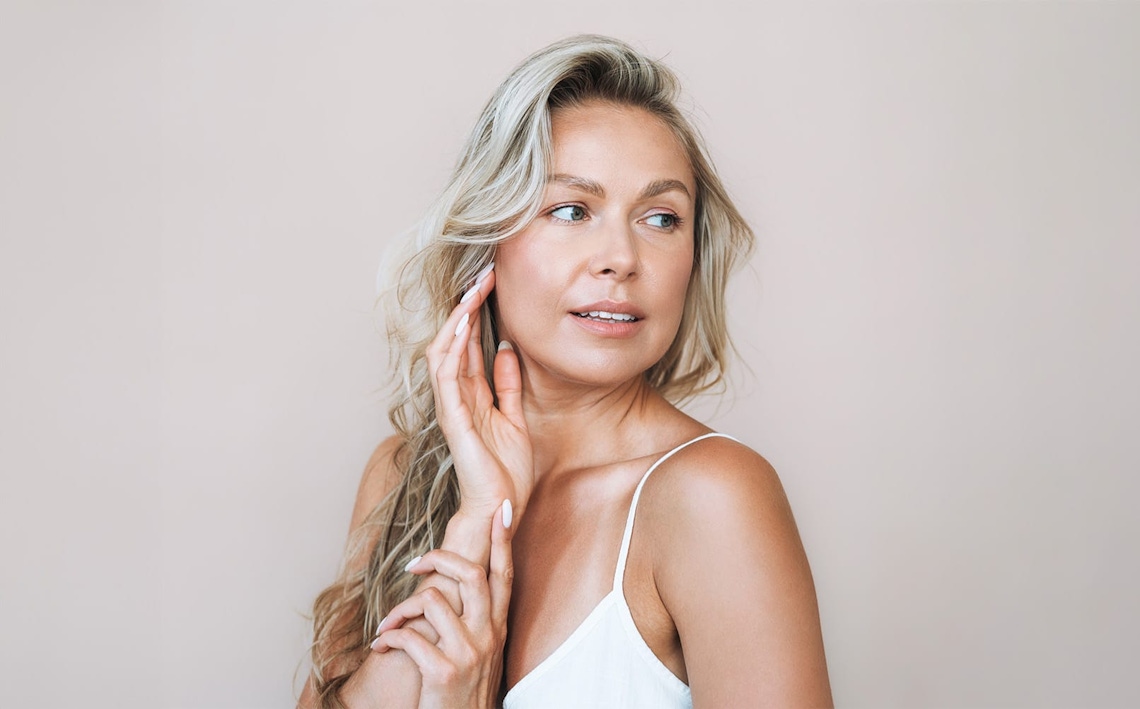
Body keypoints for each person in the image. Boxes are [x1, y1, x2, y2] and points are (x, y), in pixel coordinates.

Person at [300, 34, 832, 709]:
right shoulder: (400, 475)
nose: (621, 257)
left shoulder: (711, 498)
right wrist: (474, 522)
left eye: (661, 217)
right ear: (485, 239)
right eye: (572, 210)